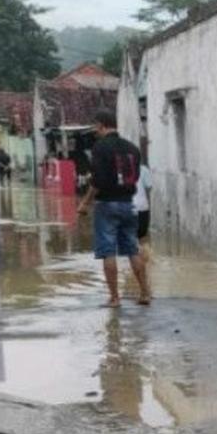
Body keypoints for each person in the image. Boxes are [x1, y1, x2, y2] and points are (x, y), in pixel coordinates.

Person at [77, 110, 150, 307]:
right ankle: (145, 293)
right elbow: (135, 177)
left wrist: (85, 203)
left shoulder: (100, 148)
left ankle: (115, 298)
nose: (95, 131)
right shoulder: (132, 148)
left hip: (106, 205)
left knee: (108, 251)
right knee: (133, 249)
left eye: (96, 127)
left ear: (101, 125)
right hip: (128, 204)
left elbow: (97, 181)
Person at [133, 156, 152, 242]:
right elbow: (149, 187)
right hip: (142, 206)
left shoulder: (119, 169)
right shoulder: (143, 169)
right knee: (142, 236)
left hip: (125, 207)